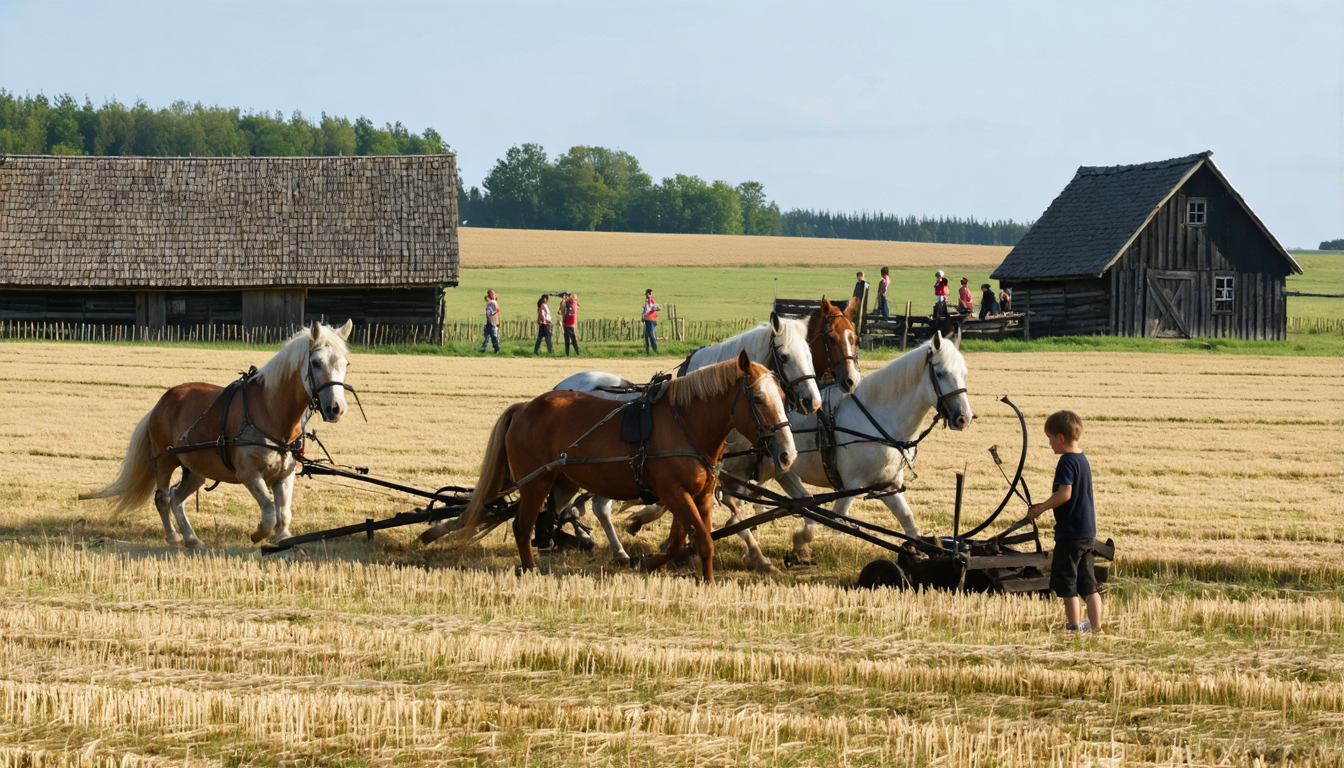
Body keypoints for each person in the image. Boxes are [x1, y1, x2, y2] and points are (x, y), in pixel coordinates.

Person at [1026, 410, 1101, 634]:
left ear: (1060, 438)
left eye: (1050, 438)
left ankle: (1073, 627)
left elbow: (1064, 494)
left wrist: (1040, 507)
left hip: (1070, 534)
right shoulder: (1082, 459)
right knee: (1089, 584)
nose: (1049, 444)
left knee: (1067, 583)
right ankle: (1096, 628)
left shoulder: (1066, 462)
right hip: (1086, 533)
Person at [642, 288, 661, 354]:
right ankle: (649, 351)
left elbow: (655, 308)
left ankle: (655, 350)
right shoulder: (647, 301)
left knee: (651, 335)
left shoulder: (651, 301)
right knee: (647, 335)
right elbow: (645, 310)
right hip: (648, 319)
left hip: (650, 319)